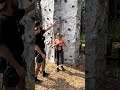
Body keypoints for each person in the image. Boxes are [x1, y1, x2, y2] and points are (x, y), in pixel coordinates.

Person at [0, 0, 35, 90]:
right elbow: (2, 47)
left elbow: (29, 8)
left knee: (21, 84)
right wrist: (17, 67)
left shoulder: (15, 15)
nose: (18, 1)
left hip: (18, 59)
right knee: (11, 86)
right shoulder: (2, 20)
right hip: (10, 62)